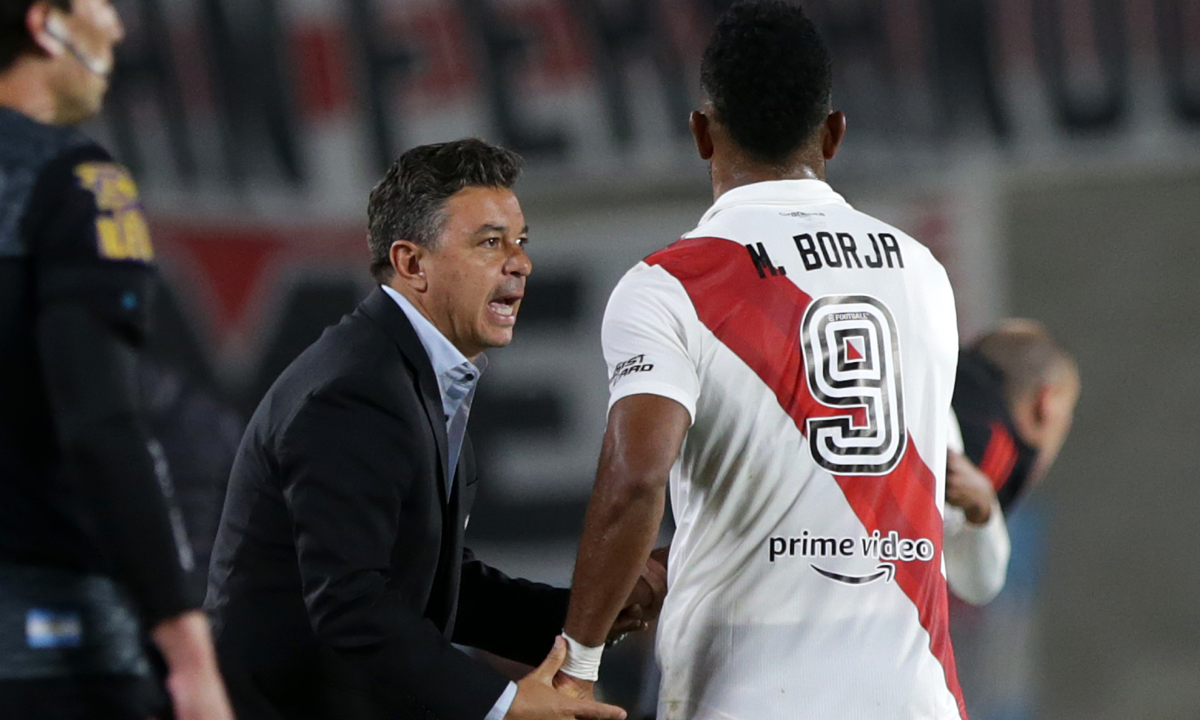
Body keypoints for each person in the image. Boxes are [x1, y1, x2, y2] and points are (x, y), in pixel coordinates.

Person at [554, 3, 966, 719]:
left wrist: (577, 667)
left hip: (748, 695)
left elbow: (636, 479)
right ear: (834, 133)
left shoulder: (671, 287)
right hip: (915, 693)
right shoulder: (923, 271)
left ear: (701, 133)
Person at [206, 139, 660, 720]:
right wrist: (502, 704)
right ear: (411, 263)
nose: (520, 262)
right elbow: (349, 603)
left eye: (521, 242)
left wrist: (594, 613)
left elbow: (443, 585)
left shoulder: (409, 375)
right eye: (490, 242)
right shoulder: (356, 391)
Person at [0, 1, 232, 718]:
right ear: (46, 23)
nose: (119, 27)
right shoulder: (69, 178)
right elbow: (101, 425)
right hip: (49, 652)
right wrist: (189, 652)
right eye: (101, 4)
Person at [942, 320, 1080, 605]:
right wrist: (982, 510)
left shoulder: (932, 380)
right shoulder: (994, 448)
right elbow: (978, 582)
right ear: (1046, 403)